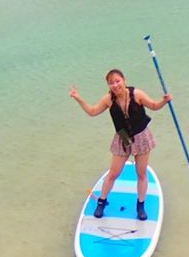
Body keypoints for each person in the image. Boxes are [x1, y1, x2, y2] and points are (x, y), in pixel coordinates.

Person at [69, 69, 171, 221]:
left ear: (124, 80)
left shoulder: (137, 94)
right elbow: (92, 111)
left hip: (141, 136)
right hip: (123, 138)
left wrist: (164, 100)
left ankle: (140, 206)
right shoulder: (108, 99)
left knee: (142, 174)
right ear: (108, 85)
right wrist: (78, 98)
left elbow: (154, 105)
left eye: (117, 81)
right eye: (111, 83)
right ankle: (102, 202)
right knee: (113, 174)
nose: (115, 85)